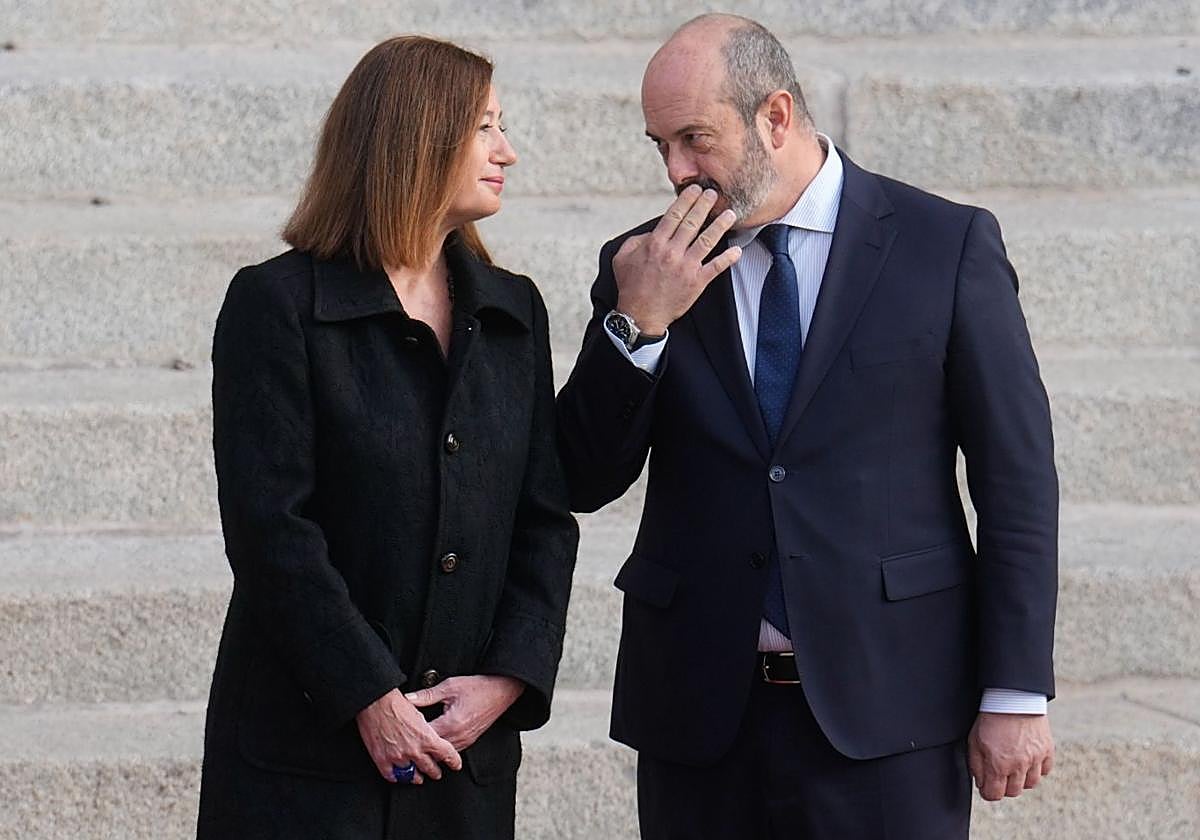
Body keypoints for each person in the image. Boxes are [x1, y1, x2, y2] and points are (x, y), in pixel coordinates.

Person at [556, 14, 1057, 839]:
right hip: (699, 718)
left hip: (891, 711)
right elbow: (580, 475)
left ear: (775, 116)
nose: (678, 172)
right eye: (660, 146)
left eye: (694, 138)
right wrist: (637, 327)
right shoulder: (641, 263)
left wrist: (1014, 691)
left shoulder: (945, 244)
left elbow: (1017, 480)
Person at [197, 35, 578, 840]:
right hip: (306, 763)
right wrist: (368, 696)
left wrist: (510, 675)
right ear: (418, 137)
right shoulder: (278, 305)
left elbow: (543, 518)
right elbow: (271, 530)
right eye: (485, 128)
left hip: (460, 761)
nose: (507, 150)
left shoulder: (515, 311)